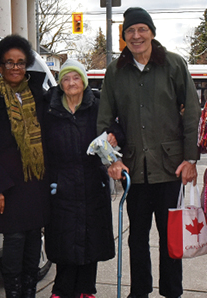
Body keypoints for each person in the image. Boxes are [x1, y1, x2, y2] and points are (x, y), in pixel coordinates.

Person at [97, 7, 201, 298]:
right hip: (134, 171)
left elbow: (192, 113)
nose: (136, 35)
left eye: (142, 29)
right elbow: (104, 121)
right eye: (130, 31)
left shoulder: (174, 65)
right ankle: (139, 292)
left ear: (152, 33)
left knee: (171, 238)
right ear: (124, 37)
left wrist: (191, 159)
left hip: (171, 169)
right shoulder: (115, 73)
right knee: (137, 240)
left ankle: (172, 292)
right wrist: (112, 160)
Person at [0, 35, 50, 298]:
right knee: (14, 244)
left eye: (20, 63)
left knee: (32, 247)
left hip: (35, 183)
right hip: (8, 185)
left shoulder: (39, 96)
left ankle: (29, 294)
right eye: (9, 63)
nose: (15, 68)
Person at [43, 59, 116, 298]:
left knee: (90, 237)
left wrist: (115, 137)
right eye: (66, 78)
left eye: (76, 78)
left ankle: (86, 290)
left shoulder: (98, 105)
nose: (71, 83)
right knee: (64, 239)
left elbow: (120, 125)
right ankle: (61, 290)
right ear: (60, 82)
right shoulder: (49, 108)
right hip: (60, 182)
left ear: (84, 81)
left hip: (93, 180)